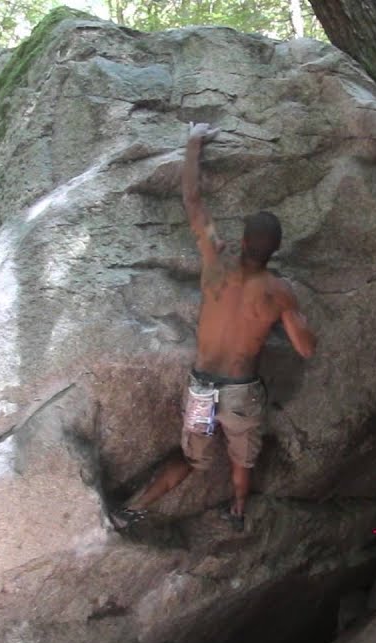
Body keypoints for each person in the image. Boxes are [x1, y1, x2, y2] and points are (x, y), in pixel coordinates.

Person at [122, 122, 317, 531]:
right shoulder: (279, 292)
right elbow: (305, 349)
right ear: (275, 250)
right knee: (242, 457)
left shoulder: (214, 261)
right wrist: (295, 312)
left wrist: (194, 141)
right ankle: (238, 511)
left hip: (201, 386)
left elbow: (192, 200)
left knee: (193, 457)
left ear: (242, 241)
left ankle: (135, 508)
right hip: (241, 393)